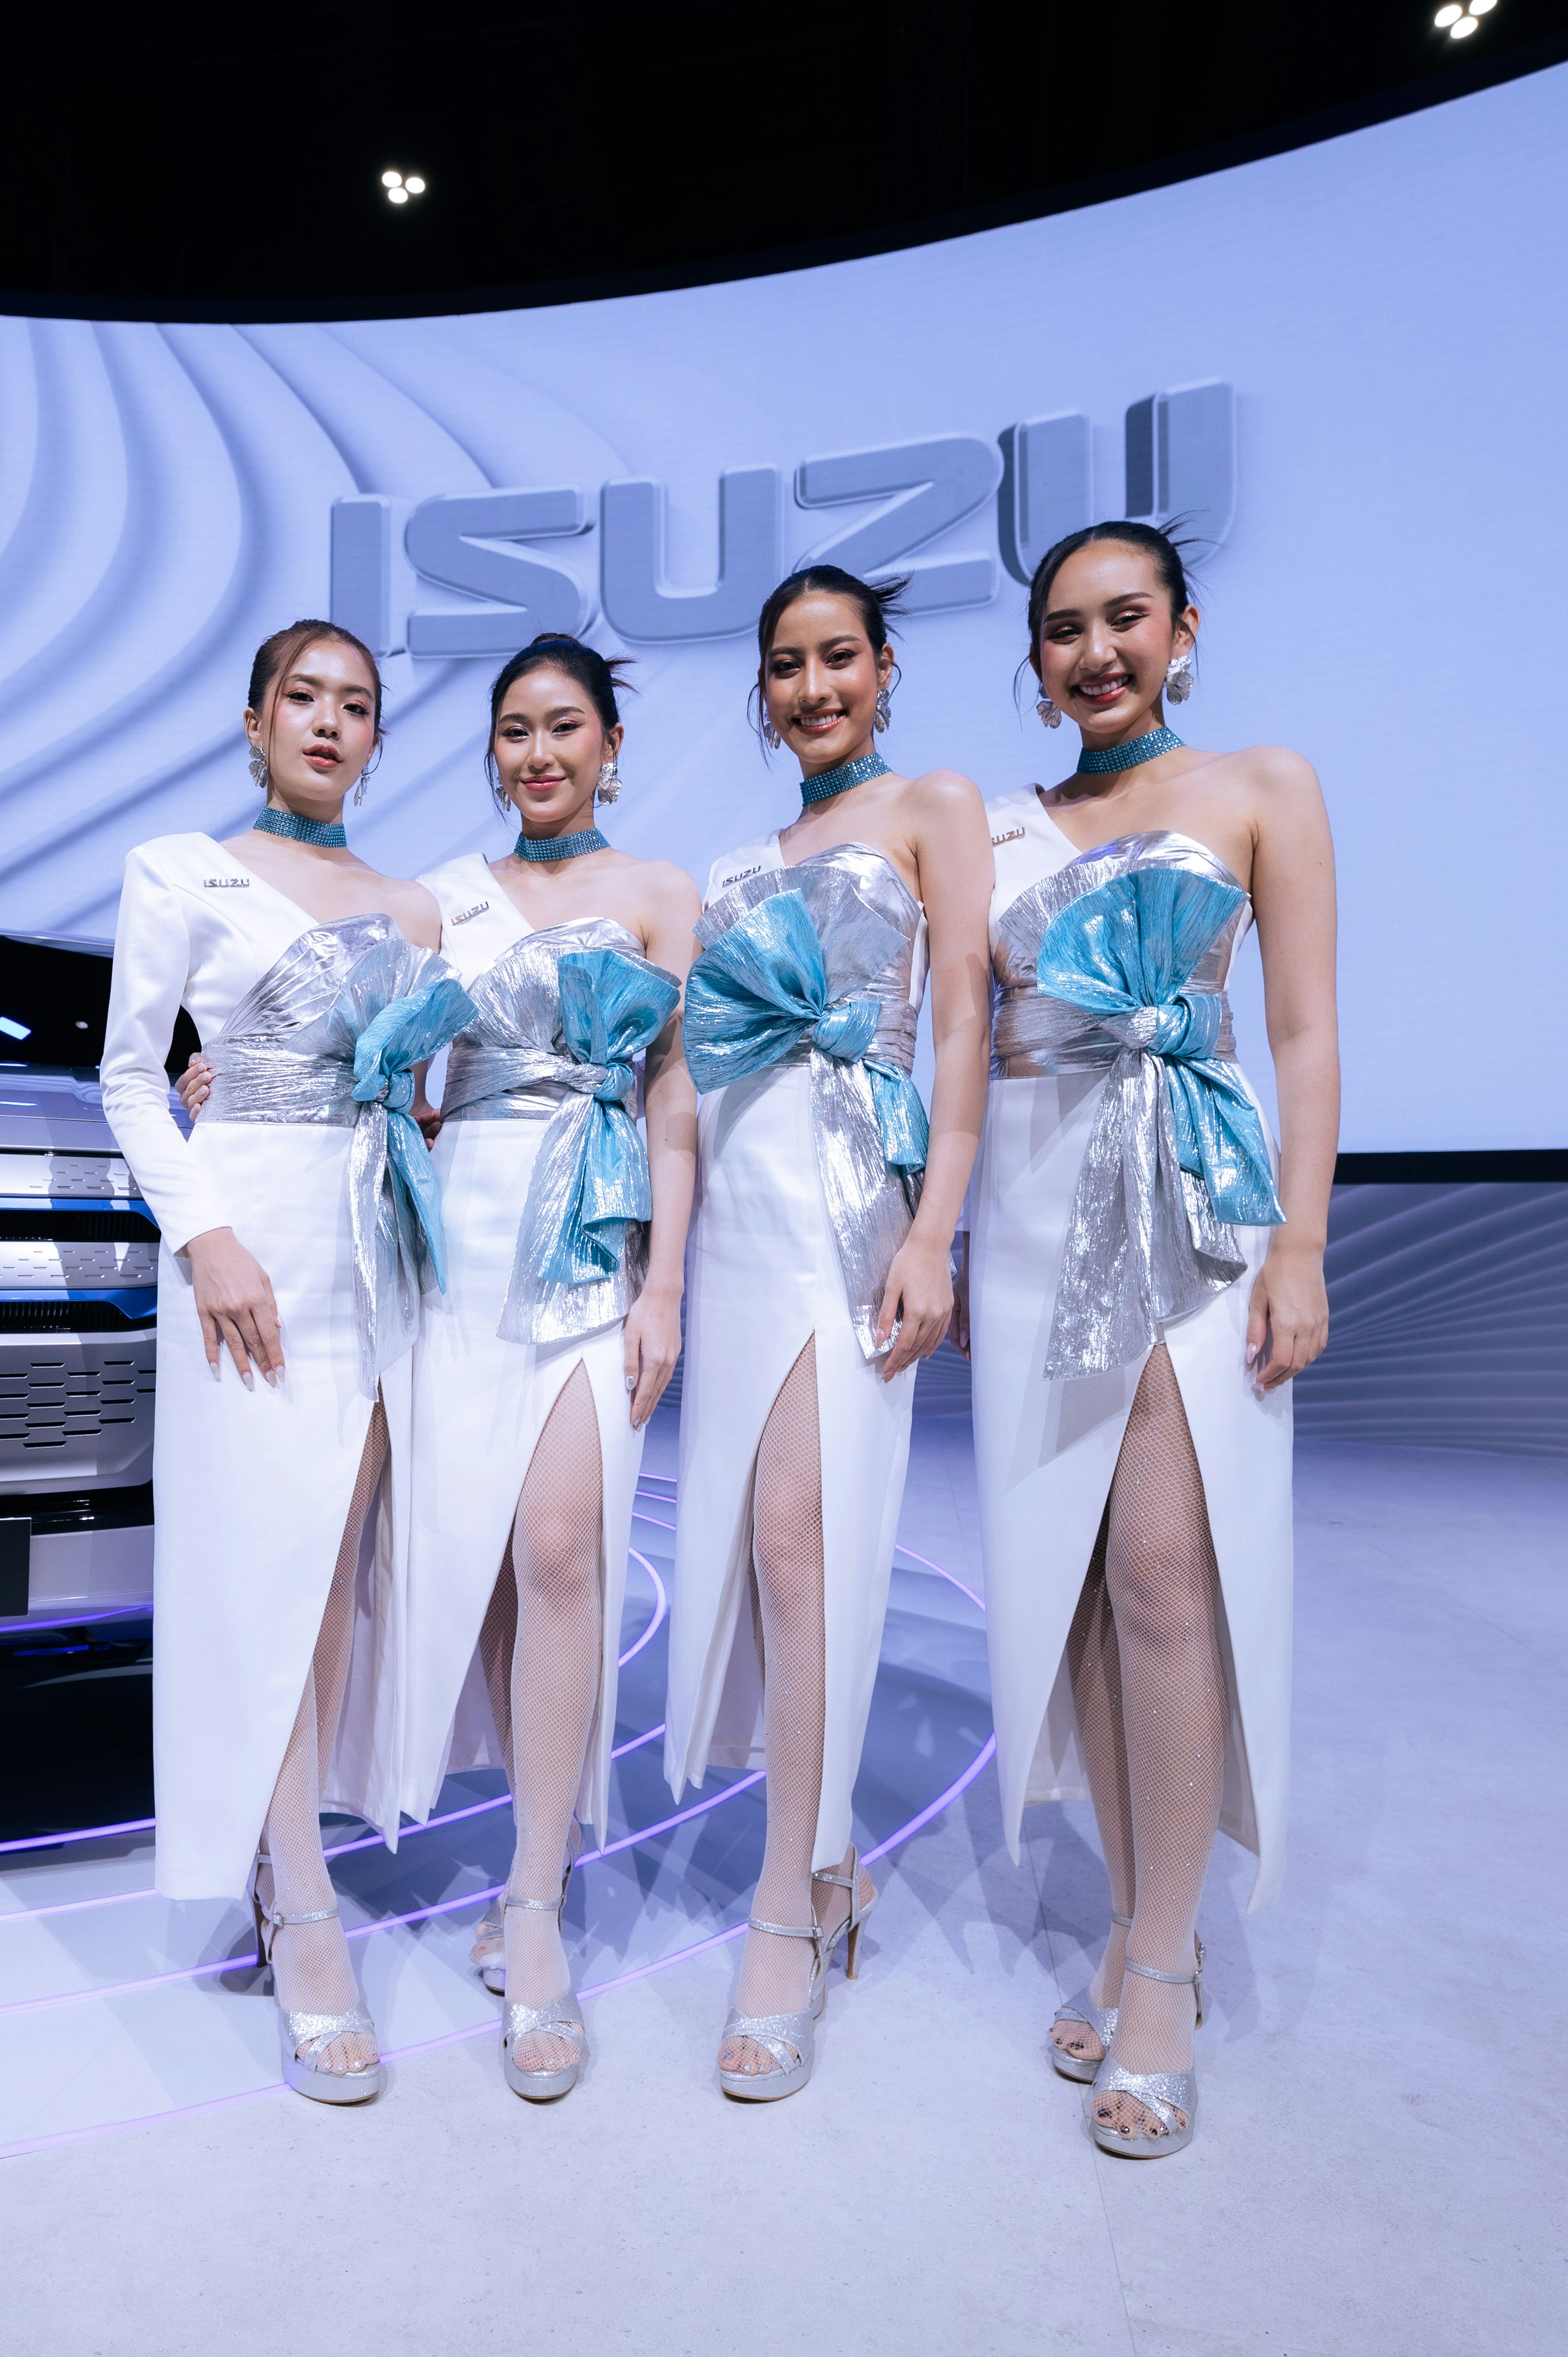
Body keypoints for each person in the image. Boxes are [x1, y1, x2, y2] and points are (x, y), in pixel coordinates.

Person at [194, 634, 703, 2099]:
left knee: (563, 1550)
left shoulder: (664, 896)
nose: (539, 753)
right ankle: (294, 1866)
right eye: (515, 732)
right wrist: (221, 1077)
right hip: (442, 1247)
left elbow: (673, 1100)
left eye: (565, 728)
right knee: (428, 1565)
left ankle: (534, 1905)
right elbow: (373, 1067)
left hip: (589, 1246)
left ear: (609, 744)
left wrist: (664, 1278)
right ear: (492, 753)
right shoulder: (436, 905)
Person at [965, 520, 1336, 2160]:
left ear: (1181, 631)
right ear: (1033, 660)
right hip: (1031, 1212)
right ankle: (1128, 1922)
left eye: (1124, 620)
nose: (1093, 651)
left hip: (1194, 1203)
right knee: (1072, 1598)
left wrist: (1303, 1244)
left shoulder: (1262, 786)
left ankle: (1165, 1969)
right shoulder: (985, 832)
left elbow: (1307, 1029)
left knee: (1166, 1578)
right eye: (1062, 629)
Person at [98, 619, 467, 2104]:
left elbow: (417, 1101)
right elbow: (129, 1077)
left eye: (356, 704)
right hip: (248, 1254)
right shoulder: (177, 869)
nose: (328, 721)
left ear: (377, 738)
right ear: (254, 723)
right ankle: (301, 1903)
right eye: (303, 698)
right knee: (258, 1564)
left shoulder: (413, 908)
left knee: (329, 1576)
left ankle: (289, 1841)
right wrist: (208, 1235)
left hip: (376, 1248)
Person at [670, 566, 992, 2098]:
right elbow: (662, 1053)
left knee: (805, 1542)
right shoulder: (734, 863)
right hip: (739, 1210)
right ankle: (836, 1853)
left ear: (884, 669)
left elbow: (969, 1028)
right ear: (764, 686)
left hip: (857, 1203)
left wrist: (939, 1230)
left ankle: (786, 1910)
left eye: (839, 658)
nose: (814, 688)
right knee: (763, 1550)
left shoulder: (935, 809)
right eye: (787, 665)